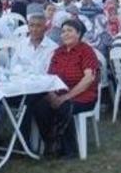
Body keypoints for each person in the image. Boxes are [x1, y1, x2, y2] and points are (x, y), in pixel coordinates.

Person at [32, 19, 99, 158]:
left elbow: (89, 79)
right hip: (58, 93)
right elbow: (50, 78)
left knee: (65, 107)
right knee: (39, 106)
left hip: (83, 95)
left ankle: (69, 148)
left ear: (79, 34)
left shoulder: (86, 51)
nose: (65, 34)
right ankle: (50, 143)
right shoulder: (58, 52)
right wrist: (52, 96)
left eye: (70, 31)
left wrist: (65, 97)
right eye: (63, 31)